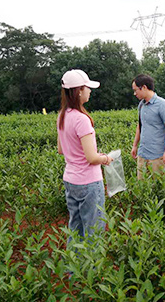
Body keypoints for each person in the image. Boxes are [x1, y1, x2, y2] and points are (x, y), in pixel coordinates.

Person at [57, 69, 112, 241]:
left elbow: (61, 149)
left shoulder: (62, 116)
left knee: (76, 228)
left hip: (71, 180)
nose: (90, 91)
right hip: (88, 182)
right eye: (87, 87)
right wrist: (106, 158)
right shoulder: (82, 119)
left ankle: (73, 267)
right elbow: (92, 158)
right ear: (79, 90)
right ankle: (93, 268)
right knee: (94, 231)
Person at [131, 74, 165, 179]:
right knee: (142, 186)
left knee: (157, 188)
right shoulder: (141, 105)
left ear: (144, 87)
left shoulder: (162, 104)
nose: (134, 93)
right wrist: (135, 145)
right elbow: (140, 125)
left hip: (157, 155)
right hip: (143, 153)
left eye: (136, 90)